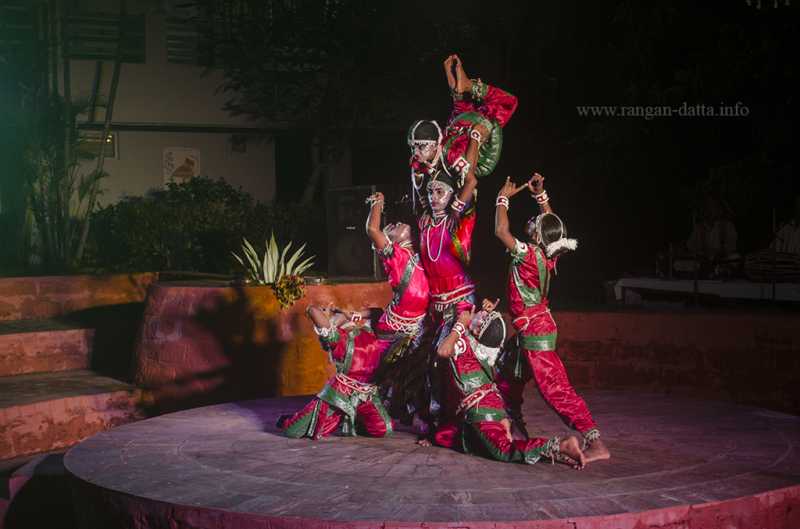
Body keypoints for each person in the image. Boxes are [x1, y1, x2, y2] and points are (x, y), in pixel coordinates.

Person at [493, 173, 610, 463]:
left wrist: (502, 198)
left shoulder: (528, 255)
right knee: (507, 375)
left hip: (535, 330)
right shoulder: (549, 252)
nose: (534, 220)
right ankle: (514, 426)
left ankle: (595, 442)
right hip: (531, 327)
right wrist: (540, 196)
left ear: (537, 236)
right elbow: (553, 228)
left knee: (555, 389)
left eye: (536, 222)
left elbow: (500, 230)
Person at [434, 300, 586, 468]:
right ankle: (549, 449)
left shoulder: (462, 341)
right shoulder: (481, 346)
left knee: (502, 450)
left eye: (482, 316)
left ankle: (560, 446)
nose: (479, 313)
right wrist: (479, 315)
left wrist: (461, 325)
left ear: (477, 331)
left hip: (482, 411)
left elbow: (443, 350)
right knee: (457, 439)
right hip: (492, 405)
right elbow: (476, 324)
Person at [280, 304, 393, 439]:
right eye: (335, 317)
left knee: (384, 429)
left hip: (367, 395)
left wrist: (355, 314)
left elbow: (379, 312)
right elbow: (313, 311)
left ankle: (353, 419)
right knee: (293, 431)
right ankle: (299, 417)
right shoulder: (338, 338)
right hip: (341, 395)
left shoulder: (370, 331)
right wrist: (328, 314)